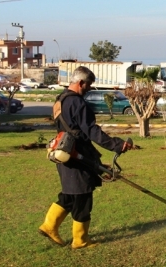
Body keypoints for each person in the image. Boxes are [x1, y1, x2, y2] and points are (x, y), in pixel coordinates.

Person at [39, 66, 132, 249]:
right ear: (81, 83)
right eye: (88, 85)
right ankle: (80, 240)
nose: (89, 88)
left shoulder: (61, 99)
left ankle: (49, 226)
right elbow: (92, 131)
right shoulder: (77, 103)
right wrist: (117, 145)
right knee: (82, 197)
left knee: (70, 193)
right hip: (77, 156)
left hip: (63, 152)